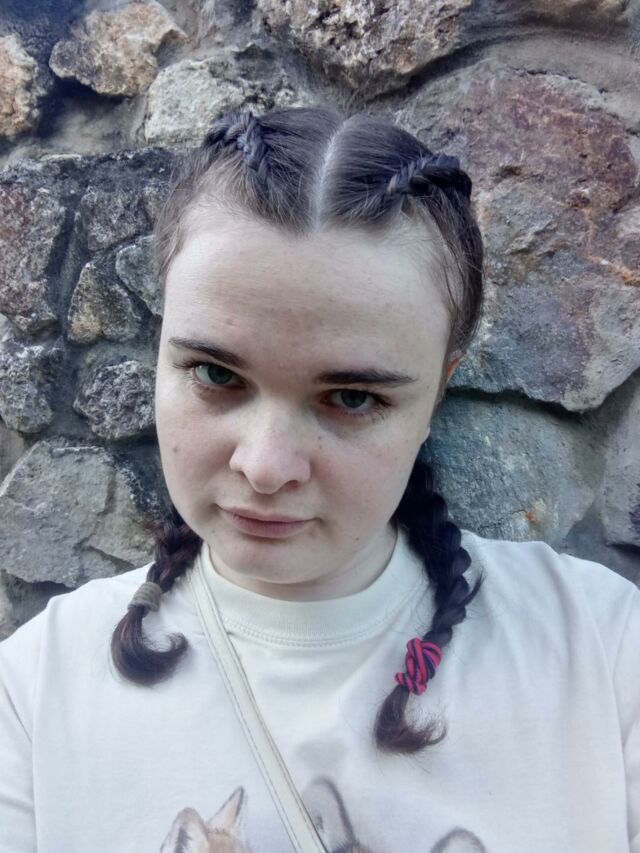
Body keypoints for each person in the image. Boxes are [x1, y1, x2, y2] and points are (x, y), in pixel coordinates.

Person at [0, 104, 638, 853]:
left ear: (437, 393)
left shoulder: (603, 651)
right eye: (215, 374)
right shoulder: (34, 694)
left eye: (353, 398)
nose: (265, 467)